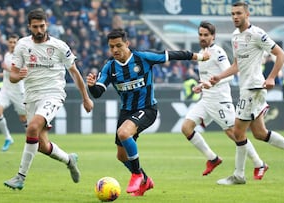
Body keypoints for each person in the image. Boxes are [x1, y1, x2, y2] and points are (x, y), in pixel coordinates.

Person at [86, 28, 209, 196]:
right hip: (126, 111)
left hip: (147, 109)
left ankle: (137, 175)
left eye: (118, 45)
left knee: (123, 133)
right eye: (111, 46)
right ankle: (145, 179)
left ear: (127, 44)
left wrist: (200, 56)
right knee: (121, 156)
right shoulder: (110, 67)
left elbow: (172, 55)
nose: (115, 50)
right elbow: (98, 92)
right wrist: (91, 86)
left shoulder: (143, 58)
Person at [209, 2, 284, 185]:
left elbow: (281, 55)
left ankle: (239, 175)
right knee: (260, 133)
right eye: (232, 14)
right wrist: (219, 77)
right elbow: (236, 66)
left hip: (253, 88)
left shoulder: (257, 34)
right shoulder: (235, 36)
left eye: (238, 13)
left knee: (237, 131)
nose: (235, 17)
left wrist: (271, 77)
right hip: (247, 88)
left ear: (247, 15)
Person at [3, 9, 94, 190]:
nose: (39, 30)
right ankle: (70, 160)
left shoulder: (60, 46)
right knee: (42, 145)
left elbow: (74, 73)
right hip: (31, 97)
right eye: (35, 27)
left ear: (47, 25)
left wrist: (86, 98)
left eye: (42, 26)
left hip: (53, 94)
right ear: (29, 27)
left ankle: (20, 177)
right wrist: (18, 76)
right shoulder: (22, 45)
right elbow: (12, 75)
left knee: (32, 127)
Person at [181, 21, 267, 179]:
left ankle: (259, 163)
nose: (203, 37)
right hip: (206, 100)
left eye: (206, 35)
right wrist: (202, 85)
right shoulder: (202, 53)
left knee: (235, 134)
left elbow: (230, 75)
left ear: (213, 36)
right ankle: (212, 159)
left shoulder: (218, 52)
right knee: (186, 127)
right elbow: (208, 78)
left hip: (220, 100)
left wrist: (211, 83)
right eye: (200, 34)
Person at [0, 34, 27, 151]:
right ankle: (8, 137)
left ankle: (33, 141)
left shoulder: (21, 57)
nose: (12, 44)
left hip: (18, 91)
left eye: (15, 42)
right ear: (7, 43)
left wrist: (7, 68)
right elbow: (7, 74)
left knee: (23, 119)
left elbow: (21, 73)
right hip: (5, 89)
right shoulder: (7, 55)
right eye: (11, 42)